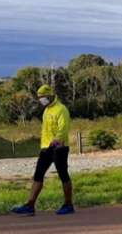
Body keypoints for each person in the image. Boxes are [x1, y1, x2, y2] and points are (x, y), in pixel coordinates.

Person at [11, 85, 74, 215]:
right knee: (38, 175)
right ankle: (30, 205)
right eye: (39, 98)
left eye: (43, 97)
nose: (41, 100)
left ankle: (68, 205)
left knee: (63, 175)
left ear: (50, 95)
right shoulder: (46, 110)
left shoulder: (61, 109)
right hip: (46, 147)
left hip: (59, 147)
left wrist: (57, 139)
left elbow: (64, 128)